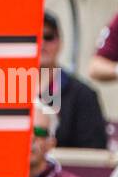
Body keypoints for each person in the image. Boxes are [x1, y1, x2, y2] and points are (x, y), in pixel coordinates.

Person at [40, 10, 107, 149]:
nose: (41, 44)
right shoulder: (8, 91)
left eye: (48, 37)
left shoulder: (82, 96)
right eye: (33, 37)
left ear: (60, 42)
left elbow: (93, 153)